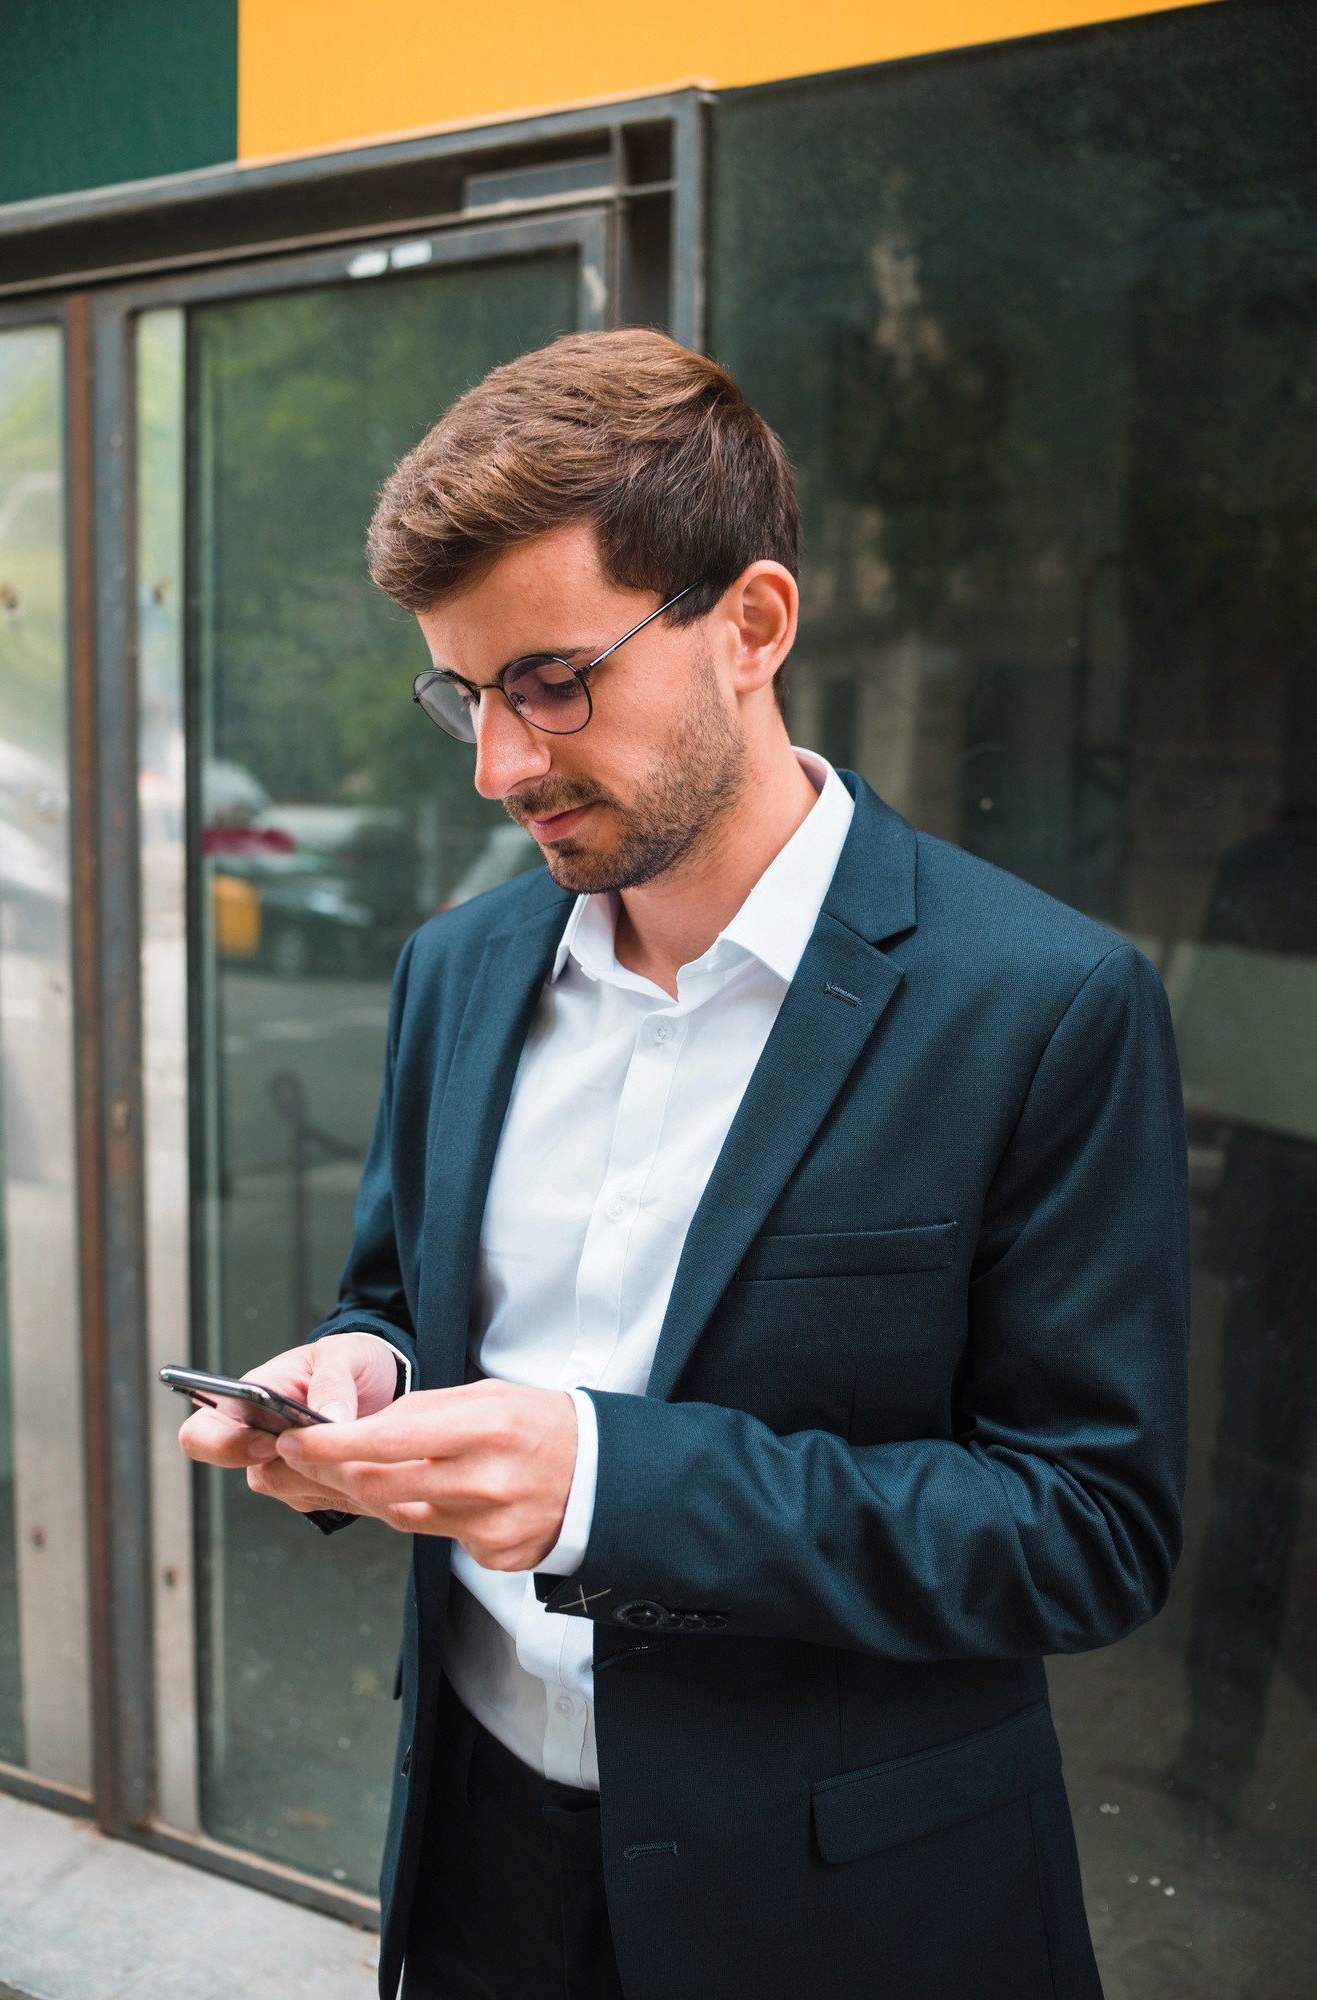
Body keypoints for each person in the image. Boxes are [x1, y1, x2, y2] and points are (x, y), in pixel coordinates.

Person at [178, 329, 1190, 2000]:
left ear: (753, 625)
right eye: (466, 695)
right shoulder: (456, 969)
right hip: (480, 1851)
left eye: (553, 682)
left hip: (846, 1909)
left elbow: (1086, 1528)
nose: (502, 765)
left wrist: (606, 1486)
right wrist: (362, 1371)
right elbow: (405, 1300)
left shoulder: (1045, 1003)